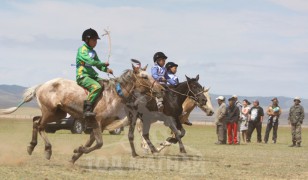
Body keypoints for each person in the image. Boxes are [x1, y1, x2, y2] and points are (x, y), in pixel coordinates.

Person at [76, 28, 113, 120]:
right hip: (83, 76)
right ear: (87, 39)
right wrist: (102, 63)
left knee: (106, 84)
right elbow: (91, 62)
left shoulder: (93, 52)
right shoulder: (82, 50)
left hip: (92, 75)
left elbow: (99, 65)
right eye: (93, 40)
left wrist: (107, 69)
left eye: (96, 40)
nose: (95, 42)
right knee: (97, 87)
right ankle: (87, 109)